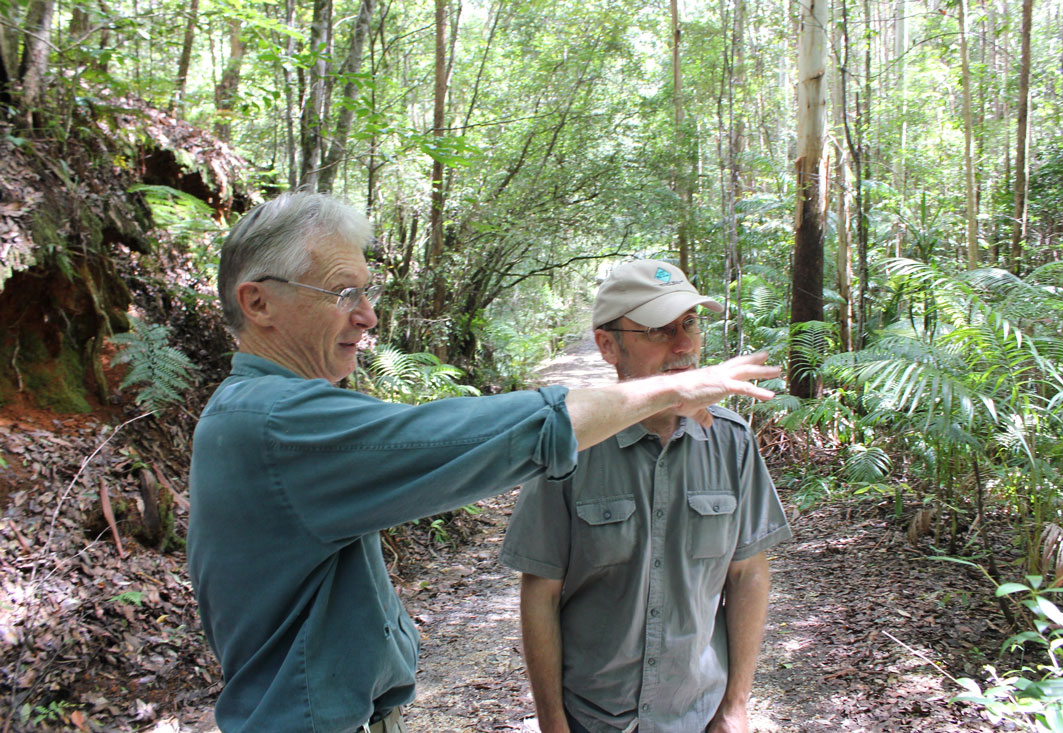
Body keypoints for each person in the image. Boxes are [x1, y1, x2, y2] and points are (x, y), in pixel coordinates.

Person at [186, 194, 781, 733]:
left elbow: (748, 571)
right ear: (257, 302)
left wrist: (734, 705)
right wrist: (675, 391)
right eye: (345, 293)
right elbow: (462, 441)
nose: (367, 316)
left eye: (368, 293)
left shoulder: (273, 417)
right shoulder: (276, 424)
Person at [501, 259, 793, 733]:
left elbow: (748, 574)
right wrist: (553, 721)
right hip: (594, 715)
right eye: (659, 329)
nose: (684, 345)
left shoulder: (732, 442)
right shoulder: (570, 448)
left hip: (698, 712)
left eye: (691, 324)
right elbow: (541, 590)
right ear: (607, 345)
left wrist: (736, 705)